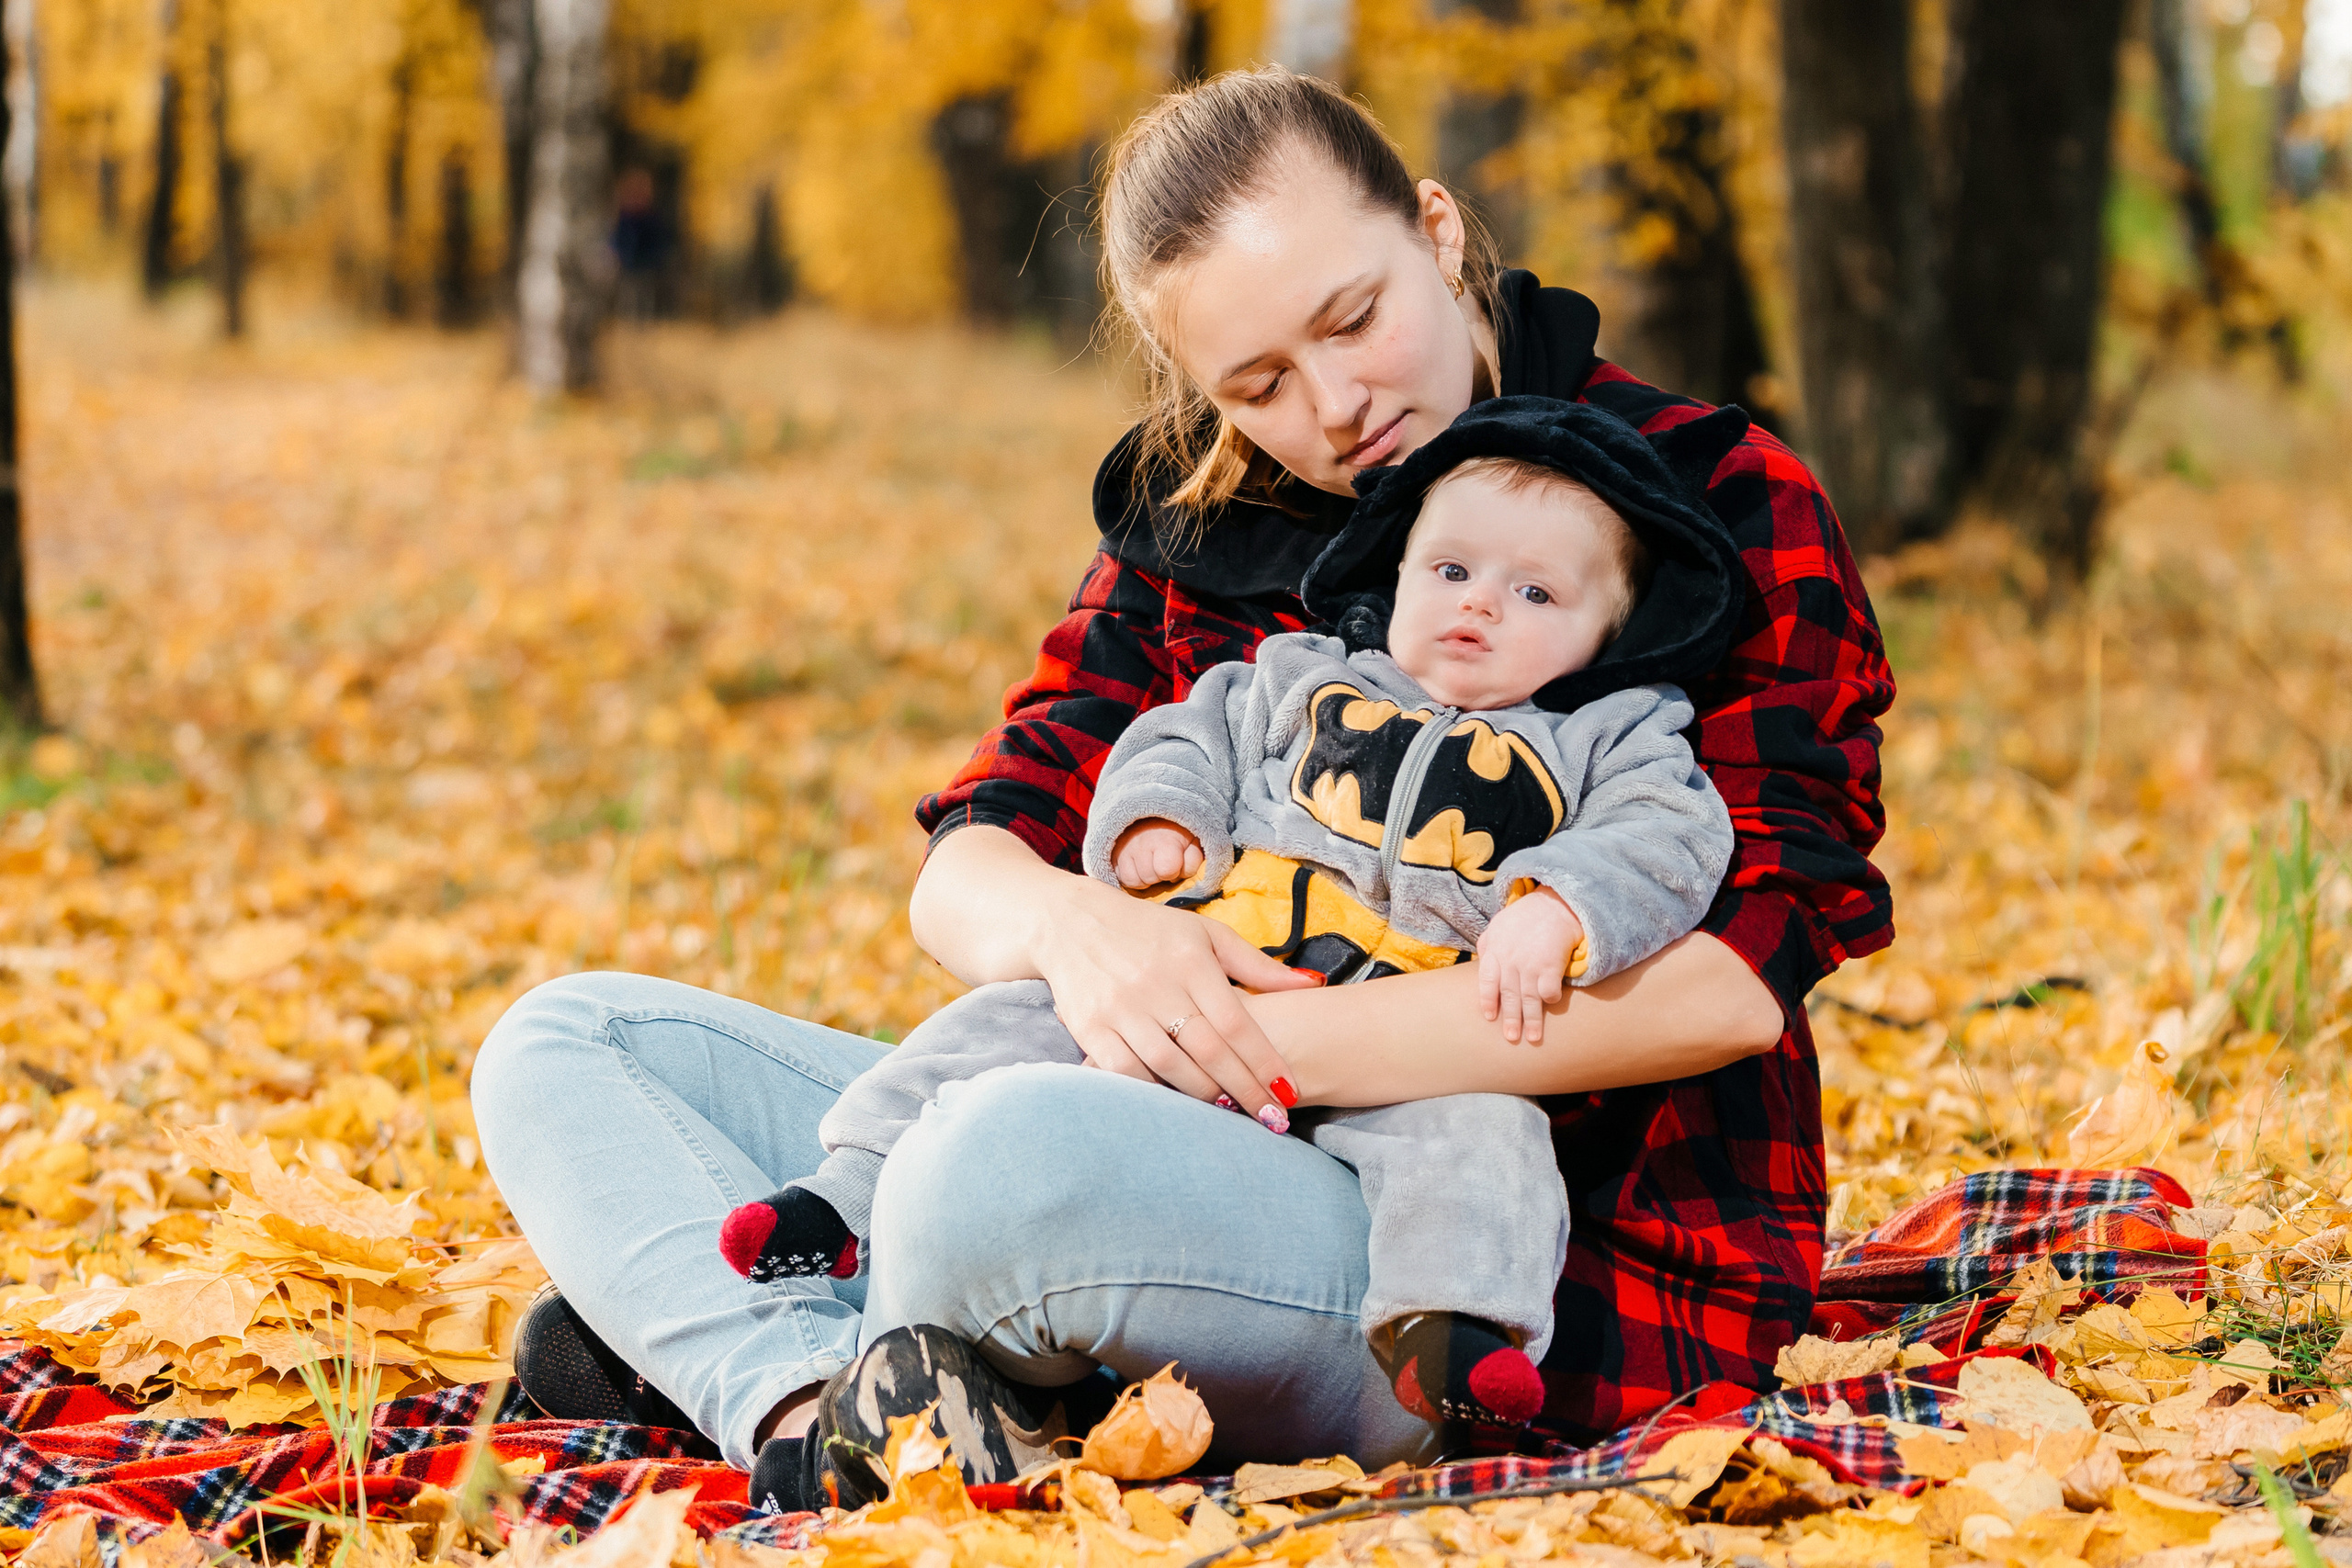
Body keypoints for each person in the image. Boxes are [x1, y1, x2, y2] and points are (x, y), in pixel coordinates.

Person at [470, 64, 1893, 1516]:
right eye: (1258, 384)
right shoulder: (1199, 522)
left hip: (1507, 1254)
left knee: (988, 1166)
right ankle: (808, 1403)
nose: (1337, 406)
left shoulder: (1707, 497)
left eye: (1354, 318)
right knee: (569, 1042)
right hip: (1148, 1130)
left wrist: (1257, 1045)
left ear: (1441, 229)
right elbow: (972, 860)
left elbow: (1731, 981)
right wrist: (1095, 938)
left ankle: (759, 1347)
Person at [711, 399, 1740, 1439]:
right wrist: (1161, 821)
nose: (1479, 607)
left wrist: (1560, 905)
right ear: (1396, 575)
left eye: (1534, 593)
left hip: (1410, 1032)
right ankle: (844, 1195)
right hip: (1227, 968)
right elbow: (1180, 736)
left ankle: (1453, 1332)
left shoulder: (1609, 738)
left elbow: (1666, 837)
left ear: (1607, 631)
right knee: (1010, 1021)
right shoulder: (1301, 678)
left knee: (1488, 1139)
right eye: (1450, 572)